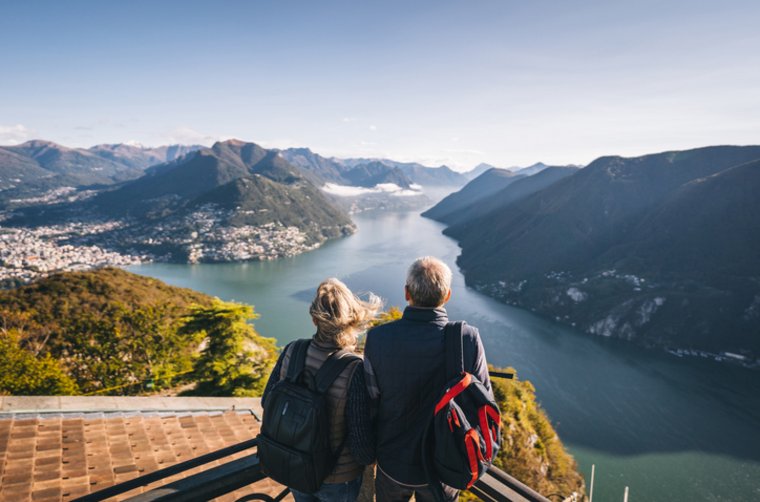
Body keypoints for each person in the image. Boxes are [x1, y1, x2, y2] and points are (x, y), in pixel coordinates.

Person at [364, 256, 493, 502]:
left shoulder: (378, 338)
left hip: (392, 461)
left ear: (406, 293)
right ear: (447, 296)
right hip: (443, 466)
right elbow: (483, 402)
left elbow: (372, 399)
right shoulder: (467, 339)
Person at [262, 278, 379, 502]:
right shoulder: (355, 368)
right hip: (338, 477)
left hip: (296, 465)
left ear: (314, 319)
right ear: (352, 319)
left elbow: (268, 400)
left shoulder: (292, 350)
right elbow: (359, 439)